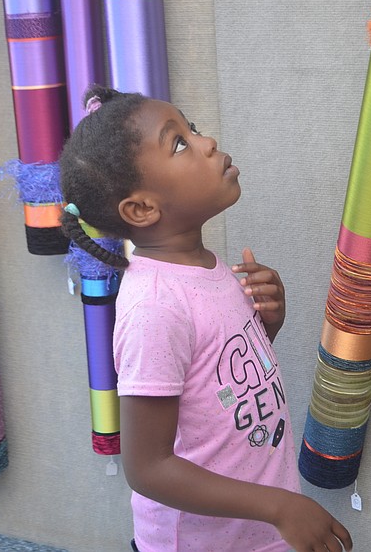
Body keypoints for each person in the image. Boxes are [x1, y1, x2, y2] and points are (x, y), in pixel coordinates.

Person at [59, 85, 353, 552]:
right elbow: (148, 466)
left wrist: (266, 327)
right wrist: (281, 507)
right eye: (179, 143)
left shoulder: (209, 268)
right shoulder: (154, 306)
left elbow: (214, 388)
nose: (206, 141)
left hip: (253, 532)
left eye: (191, 128)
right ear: (141, 208)